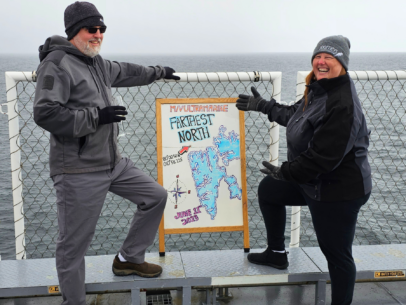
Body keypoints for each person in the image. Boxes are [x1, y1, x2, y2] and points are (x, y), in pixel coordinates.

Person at [33, 2, 180, 304]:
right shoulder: (57, 63)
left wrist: (159, 72)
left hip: (112, 163)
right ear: (75, 31)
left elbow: (126, 71)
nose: (98, 34)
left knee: (155, 196)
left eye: (102, 29)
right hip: (78, 169)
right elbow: (45, 113)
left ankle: (128, 258)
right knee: (73, 246)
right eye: (91, 29)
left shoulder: (95, 62)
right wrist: (95, 117)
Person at [236, 35, 371, 305]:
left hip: (339, 190)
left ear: (342, 63)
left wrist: (286, 172)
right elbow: (296, 116)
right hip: (314, 181)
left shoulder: (342, 104)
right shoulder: (318, 88)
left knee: (337, 255)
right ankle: (276, 253)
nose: (321, 61)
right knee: (270, 190)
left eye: (329, 57)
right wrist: (264, 106)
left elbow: (323, 158)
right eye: (318, 56)